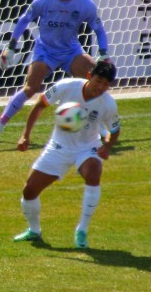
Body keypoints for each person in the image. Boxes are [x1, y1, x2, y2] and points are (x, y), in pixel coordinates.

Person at [0, 0, 109, 143]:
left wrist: (104, 52)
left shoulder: (85, 4)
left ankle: (98, 126)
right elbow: (24, 20)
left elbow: (98, 29)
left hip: (70, 51)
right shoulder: (43, 0)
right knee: (30, 88)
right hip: (46, 51)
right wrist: (10, 47)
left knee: (94, 77)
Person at [11, 60, 119, 249]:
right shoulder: (66, 86)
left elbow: (115, 129)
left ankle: (82, 230)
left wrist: (107, 146)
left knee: (94, 173)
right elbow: (39, 105)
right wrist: (25, 136)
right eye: (98, 81)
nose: (101, 87)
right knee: (29, 190)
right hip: (59, 147)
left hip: (87, 147)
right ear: (89, 76)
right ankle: (34, 231)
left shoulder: (108, 104)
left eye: (106, 84)